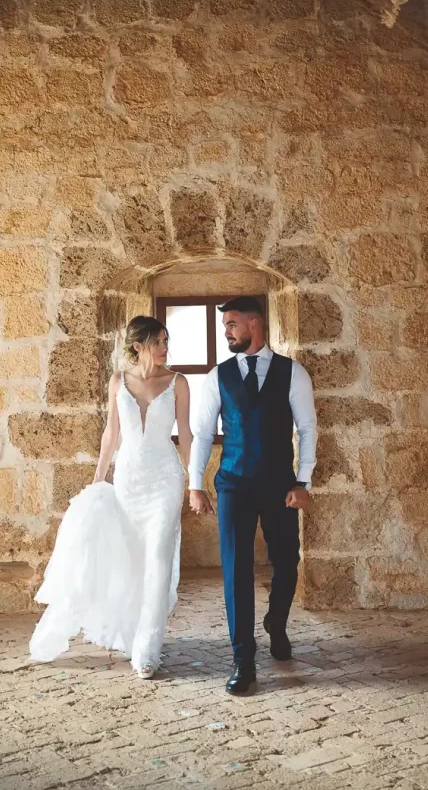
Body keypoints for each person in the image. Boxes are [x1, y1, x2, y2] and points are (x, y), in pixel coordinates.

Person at [29, 316, 191, 679]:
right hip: (129, 479)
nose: (165, 347)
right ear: (138, 345)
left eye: (166, 340)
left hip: (166, 479)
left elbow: (186, 433)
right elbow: (111, 434)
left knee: (159, 557)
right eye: (157, 341)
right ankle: (132, 633)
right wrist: (99, 480)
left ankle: (147, 650)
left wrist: (195, 481)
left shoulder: (179, 383)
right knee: (133, 559)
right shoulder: (118, 382)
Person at [189, 296, 317, 695]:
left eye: (231, 324)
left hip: (281, 484)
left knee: (287, 560)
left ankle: (276, 622)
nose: (226, 331)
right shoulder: (217, 376)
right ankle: (243, 658)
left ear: (254, 324)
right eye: (225, 325)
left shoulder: (293, 373)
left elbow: (308, 430)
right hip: (234, 483)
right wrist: (196, 483)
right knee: (236, 569)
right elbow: (204, 433)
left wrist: (303, 482)